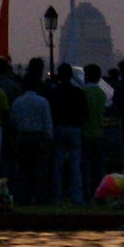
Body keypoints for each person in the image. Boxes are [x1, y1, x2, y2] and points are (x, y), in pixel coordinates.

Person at [9, 66, 53, 206]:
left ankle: (23, 198)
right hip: (39, 138)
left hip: (23, 137)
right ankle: (41, 198)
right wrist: (49, 139)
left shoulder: (17, 102)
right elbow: (47, 123)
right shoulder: (42, 102)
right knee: (40, 170)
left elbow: (13, 121)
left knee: (23, 171)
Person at [49, 63, 87, 205]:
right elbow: (84, 112)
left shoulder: (54, 92)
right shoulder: (78, 92)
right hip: (75, 129)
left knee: (57, 165)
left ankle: (57, 197)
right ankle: (77, 198)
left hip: (59, 128)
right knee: (75, 166)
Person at [83, 64, 109, 200]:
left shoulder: (84, 92)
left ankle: (88, 195)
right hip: (99, 132)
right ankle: (100, 194)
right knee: (99, 167)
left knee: (86, 167)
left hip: (86, 133)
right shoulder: (102, 93)